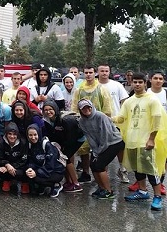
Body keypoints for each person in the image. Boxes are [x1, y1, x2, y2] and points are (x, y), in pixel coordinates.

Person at [113, 73, 167, 211]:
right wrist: (106, 117)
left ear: (145, 83)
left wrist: (151, 139)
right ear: (131, 83)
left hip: (146, 142)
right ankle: (142, 192)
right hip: (132, 141)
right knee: (137, 169)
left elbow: (156, 120)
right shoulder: (129, 101)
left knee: (151, 170)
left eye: (140, 82)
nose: (137, 84)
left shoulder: (152, 100)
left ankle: (157, 197)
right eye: (135, 82)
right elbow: (121, 118)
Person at [71, 65, 113, 184]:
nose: (88, 75)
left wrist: (107, 122)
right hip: (84, 125)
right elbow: (74, 107)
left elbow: (107, 107)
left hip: (99, 125)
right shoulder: (79, 90)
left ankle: (102, 173)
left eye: (90, 72)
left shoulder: (101, 89)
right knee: (84, 149)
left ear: (95, 73)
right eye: (86, 72)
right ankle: (85, 172)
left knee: (102, 149)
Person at [78, 99, 125, 199]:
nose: (86, 110)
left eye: (88, 107)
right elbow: (89, 136)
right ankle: (101, 188)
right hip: (99, 145)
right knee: (93, 164)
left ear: (91, 106)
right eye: (83, 108)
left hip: (113, 142)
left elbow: (106, 135)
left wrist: (100, 151)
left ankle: (108, 191)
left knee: (100, 165)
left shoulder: (100, 116)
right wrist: (95, 151)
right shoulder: (82, 121)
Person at [42, 100, 84, 193]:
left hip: (77, 138)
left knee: (65, 158)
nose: (48, 112)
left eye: (50, 109)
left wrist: (63, 149)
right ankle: (68, 181)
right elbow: (52, 135)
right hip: (64, 138)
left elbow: (71, 137)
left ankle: (76, 184)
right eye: (46, 110)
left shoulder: (65, 120)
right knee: (62, 156)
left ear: (55, 109)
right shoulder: (47, 120)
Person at [25, 124, 65, 197]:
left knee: (37, 178)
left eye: (35, 134)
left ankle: (56, 185)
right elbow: (30, 160)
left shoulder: (47, 145)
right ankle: (42, 186)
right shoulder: (30, 145)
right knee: (29, 175)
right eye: (30, 135)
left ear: (39, 133)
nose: (33, 137)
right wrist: (30, 168)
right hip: (42, 168)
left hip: (55, 171)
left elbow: (50, 165)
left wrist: (36, 172)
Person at [0, 123, 29, 194]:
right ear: (6, 134)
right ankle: (6, 180)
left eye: (14, 134)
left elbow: (24, 159)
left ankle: (24, 182)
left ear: (18, 135)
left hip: (18, 166)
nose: (12, 136)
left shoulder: (23, 142)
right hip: (5, 166)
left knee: (24, 171)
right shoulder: (1, 142)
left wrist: (11, 167)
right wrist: (6, 164)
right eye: (10, 134)